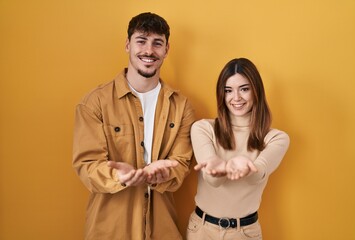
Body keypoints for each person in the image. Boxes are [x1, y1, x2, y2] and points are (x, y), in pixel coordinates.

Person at [73, 12, 195, 240]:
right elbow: (87, 165)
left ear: (166, 49)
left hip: (163, 230)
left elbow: (182, 163)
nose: (149, 51)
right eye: (141, 41)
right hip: (109, 230)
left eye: (157, 43)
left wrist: (164, 173)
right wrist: (119, 176)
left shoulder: (182, 106)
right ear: (128, 45)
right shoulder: (94, 103)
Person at [186, 58, 290, 240]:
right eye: (228, 91)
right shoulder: (203, 128)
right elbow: (213, 180)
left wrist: (243, 165)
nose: (236, 98)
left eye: (244, 89)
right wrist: (224, 167)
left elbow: (257, 175)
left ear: (256, 90)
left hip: (245, 233)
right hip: (202, 230)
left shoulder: (276, 138)